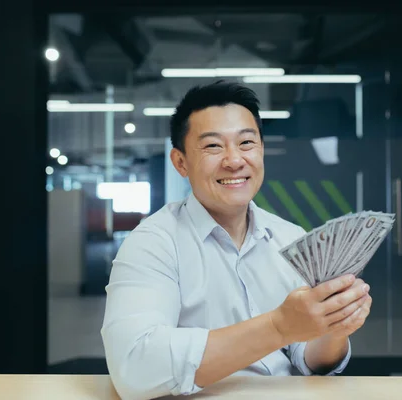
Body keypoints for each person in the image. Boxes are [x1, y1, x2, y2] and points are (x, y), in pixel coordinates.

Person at [101, 80, 372, 399]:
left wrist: (332, 326)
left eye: (246, 143)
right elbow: (134, 367)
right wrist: (278, 326)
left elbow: (307, 357)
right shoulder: (152, 243)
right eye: (213, 146)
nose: (234, 160)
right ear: (180, 162)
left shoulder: (288, 237)